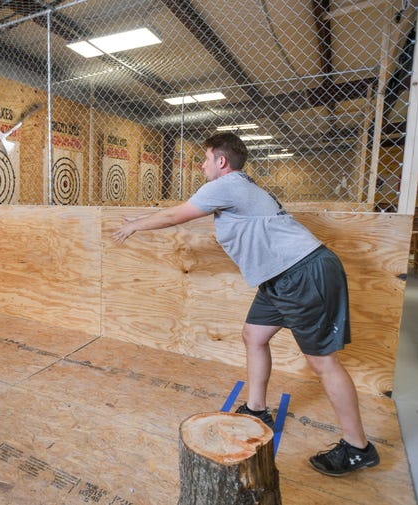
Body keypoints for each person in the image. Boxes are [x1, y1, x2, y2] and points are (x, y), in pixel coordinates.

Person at [112, 132, 379, 476]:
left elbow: (174, 216)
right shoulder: (239, 187)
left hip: (302, 272)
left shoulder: (227, 184)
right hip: (280, 276)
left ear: (222, 162)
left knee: (322, 362)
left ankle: (358, 447)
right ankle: (257, 409)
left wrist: (134, 225)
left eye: (206, 159)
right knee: (253, 335)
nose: (202, 165)